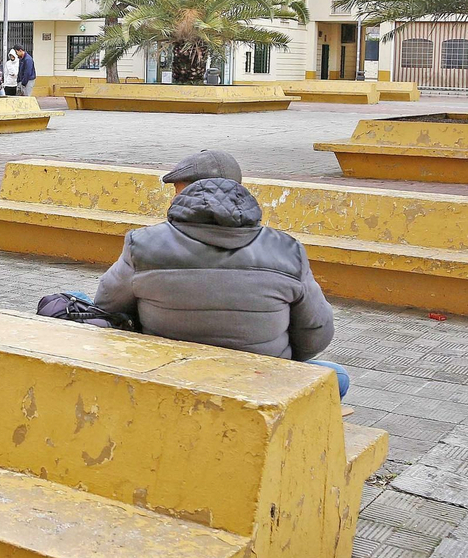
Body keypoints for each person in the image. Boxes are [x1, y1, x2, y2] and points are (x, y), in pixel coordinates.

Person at [92, 150, 347, 394]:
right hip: (261, 384)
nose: (173, 198)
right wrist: (278, 359)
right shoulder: (287, 249)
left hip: (169, 378)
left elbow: (106, 307)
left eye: (177, 190)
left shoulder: (143, 243)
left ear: (192, 191)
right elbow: (316, 332)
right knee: (337, 377)